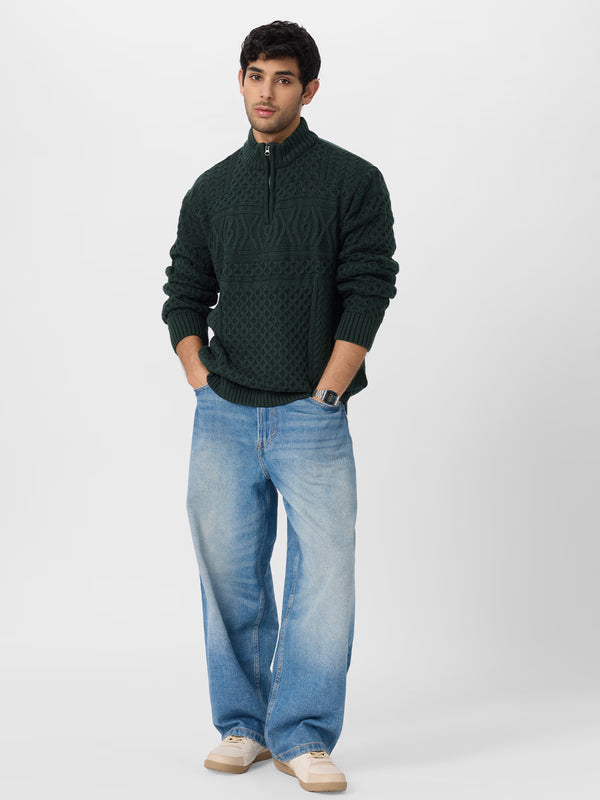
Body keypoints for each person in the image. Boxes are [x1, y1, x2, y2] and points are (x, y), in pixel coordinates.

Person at [161, 20, 398, 793]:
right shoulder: (210, 190)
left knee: (323, 581)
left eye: (284, 78)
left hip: (311, 414)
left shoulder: (352, 180)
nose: (267, 92)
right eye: (256, 75)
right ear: (240, 81)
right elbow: (183, 292)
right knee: (229, 578)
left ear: (309, 89)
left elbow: (369, 287)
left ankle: (304, 735)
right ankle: (242, 726)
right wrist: (199, 375)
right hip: (223, 413)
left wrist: (329, 389)